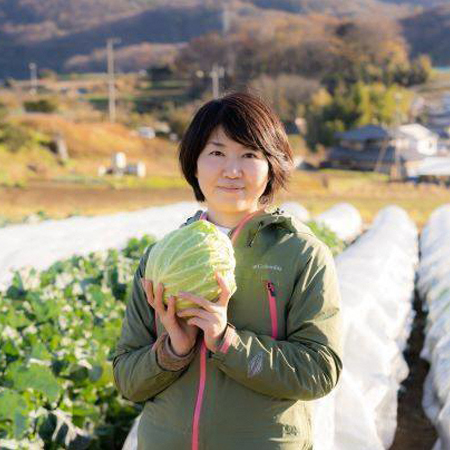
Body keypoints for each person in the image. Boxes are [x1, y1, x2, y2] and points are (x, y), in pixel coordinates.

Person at [112, 91, 343, 450]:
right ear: (195, 162)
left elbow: (320, 370)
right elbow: (127, 379)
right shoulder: (162, 256)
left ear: (272, 166)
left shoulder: (301, 254)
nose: (232, 170)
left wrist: (227, 342)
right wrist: (171, 351)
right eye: (217, 153)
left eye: (249, 155)